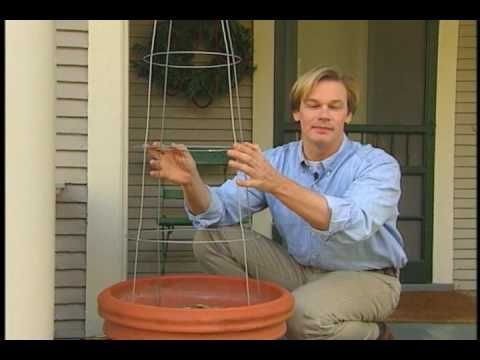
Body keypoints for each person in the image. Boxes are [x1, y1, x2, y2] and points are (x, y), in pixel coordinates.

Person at [147, 65, 407, 340]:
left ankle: (375, 335)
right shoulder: (275, 162)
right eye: (313, 105)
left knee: (301, 317)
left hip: (368, 277)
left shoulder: (376, 164)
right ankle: (265, 321)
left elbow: (356, 222)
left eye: (334, 106)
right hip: (299, 270)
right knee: (210, 238)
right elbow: (218, 210)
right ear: (297, 112)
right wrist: (191, 182)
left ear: (348, 114)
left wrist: (276, 183)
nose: (323, 115)